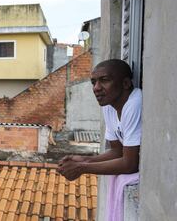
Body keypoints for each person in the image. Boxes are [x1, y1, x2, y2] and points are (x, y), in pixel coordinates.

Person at [57, 59, 142, 221]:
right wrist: (85, 159)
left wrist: (81, 168)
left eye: (104, 80)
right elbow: (117, 151)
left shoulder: (134, 104)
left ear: (125, 83)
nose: (96, 88)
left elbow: (130, 164)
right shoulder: (109, 107)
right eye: (93, 82)